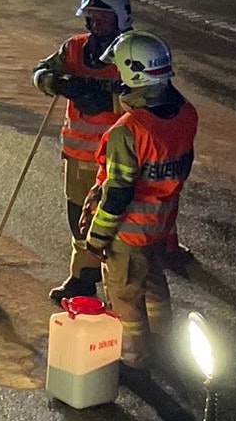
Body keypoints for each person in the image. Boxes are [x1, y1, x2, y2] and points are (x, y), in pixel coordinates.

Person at [80, 30, 197, 372]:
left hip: (127, 234)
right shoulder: (185, 114)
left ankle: (133, 358)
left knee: (126, 297)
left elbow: (118, 192)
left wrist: (97, 238)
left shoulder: (127, 131)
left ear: (135, 74)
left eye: (119, 71)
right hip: (159, 224)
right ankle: (164, 343)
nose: (116, 77)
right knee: (154, 286)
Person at [33, 0, 132, 303]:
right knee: (80, 222)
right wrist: (60, 83)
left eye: (101, 17)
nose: (93, 24)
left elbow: (145, 98)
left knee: (117, 228)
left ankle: (120, 292)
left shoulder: (132, 53)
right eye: (89, 17)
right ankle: (83, 279)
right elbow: (39, 72)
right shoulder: (74, 49)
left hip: (119, 161)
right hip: (77, 156)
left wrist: (107, 98)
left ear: (120, 18)